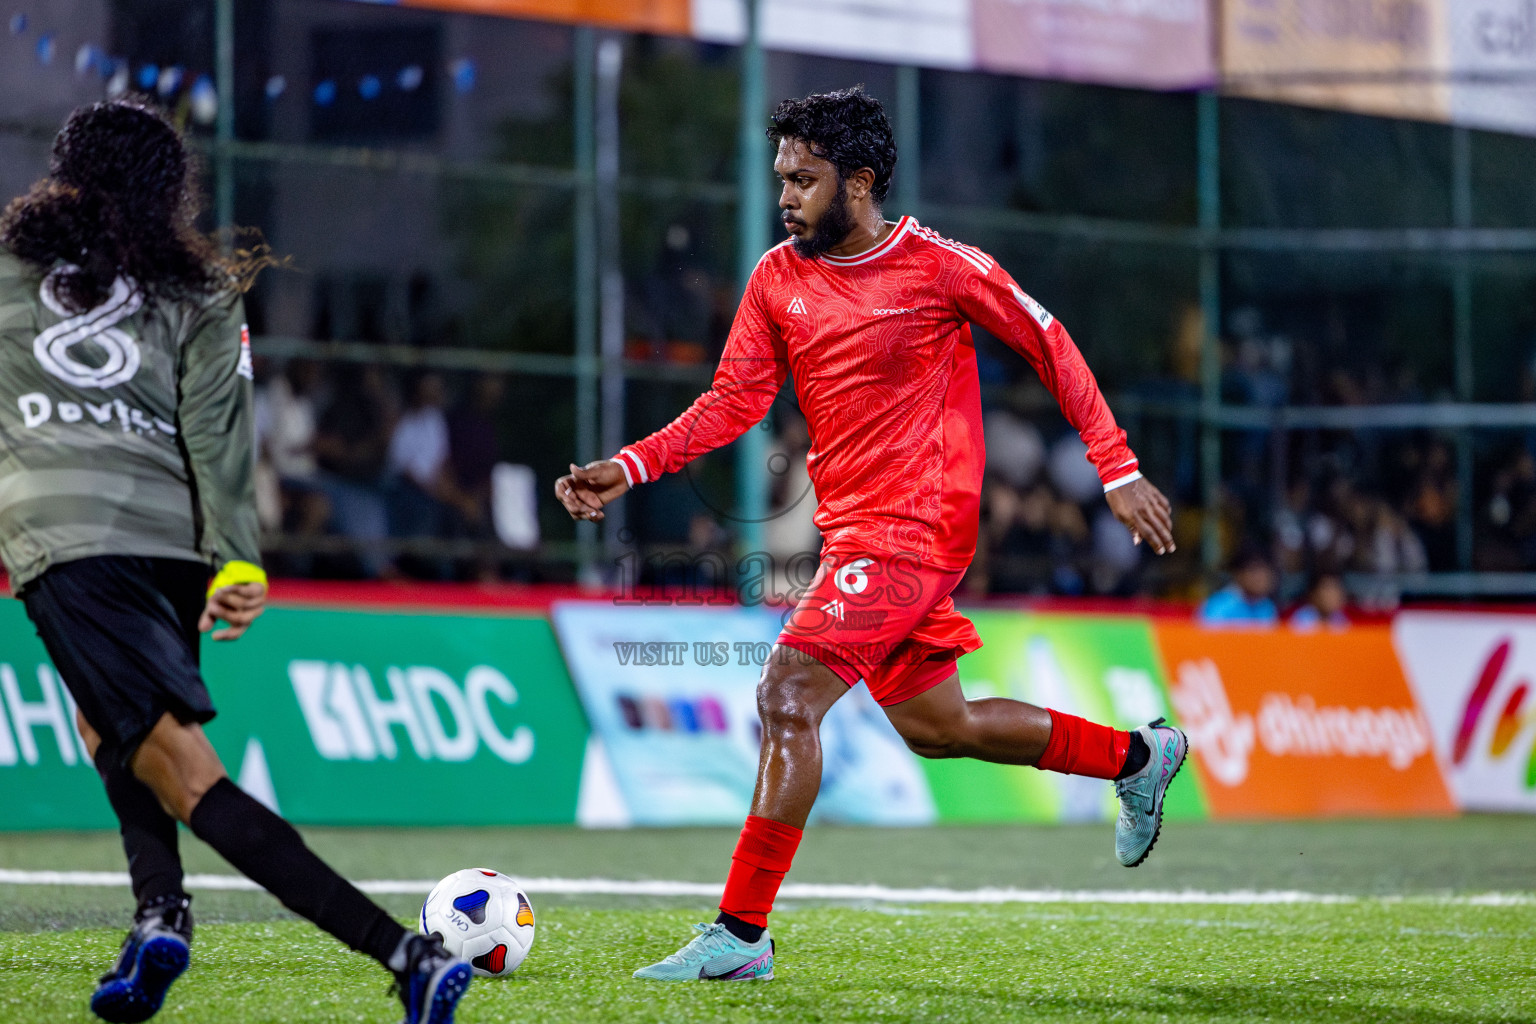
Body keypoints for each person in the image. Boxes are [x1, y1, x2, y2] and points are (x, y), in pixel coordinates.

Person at [555, 87, 1185, 982]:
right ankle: (1138, 757)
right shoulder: (779, 277)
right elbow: (734, 400)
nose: (785, 197)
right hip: (851, 530)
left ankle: (739, 937)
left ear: (859, 181)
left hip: (916, 529)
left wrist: (1115, 467)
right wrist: (631, 465)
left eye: (804, 181)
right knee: (940, 725)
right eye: (781, 178)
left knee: (785, 696)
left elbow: (1049, 340)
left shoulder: (938, 267)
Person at [0, 99, 470, 1023]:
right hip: (172, 546)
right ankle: (158, 915)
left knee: (179, 767)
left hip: (69, 540)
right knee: (115, 729)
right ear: (168, 192)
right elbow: (219, 437)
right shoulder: (204, 289)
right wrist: (236, 561)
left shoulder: (10, 276)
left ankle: (400, 954)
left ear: (65, 176)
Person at [1198, 545, 1279, 626]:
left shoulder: (1267, 607)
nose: (1261, 577)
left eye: (1266, 571)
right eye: (1254, 571)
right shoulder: (1220, 606)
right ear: (1238, 574)